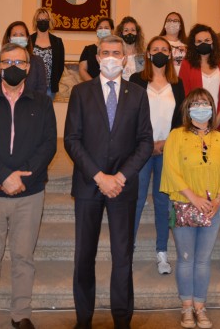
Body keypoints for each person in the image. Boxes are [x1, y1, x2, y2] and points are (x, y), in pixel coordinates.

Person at [64, 35, 153, 329]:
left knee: (122, 255)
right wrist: (100, 176)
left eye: (117, 52)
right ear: (98, 58)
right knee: (84, 255)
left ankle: (122, 319)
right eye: (106, 52)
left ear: (125, 59)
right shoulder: (80, 92)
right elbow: (72, 140)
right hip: (90, 184)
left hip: (124, 186)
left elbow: (144, 142)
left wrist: (120, 176)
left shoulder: (138, 94)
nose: (112, 57)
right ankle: (83, 319)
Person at [0, 42, 57, 329]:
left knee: (23, 256)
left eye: (20, 63)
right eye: (7, 62)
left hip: (29, 192)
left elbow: (48, 144)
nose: (13, 68)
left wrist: (21, 176)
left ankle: (21, 314)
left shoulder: (42, 102)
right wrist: (4, 176)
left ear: (29, 68)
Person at [160, 88, 220, 329]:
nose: (201, 107)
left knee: (203, 260)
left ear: (213, 109)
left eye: (205, 103)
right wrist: (193, 198)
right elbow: (171, 170)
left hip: (213, 208)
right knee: (185, 259)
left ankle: (200, 307)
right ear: (187, 108)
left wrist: (217, 200)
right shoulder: (176, 135)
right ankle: (186, 307)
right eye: (196, 103)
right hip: (184, 205)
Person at [129, 36, 185, 275]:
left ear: (170, 55)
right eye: (156, 49)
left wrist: (166, 142)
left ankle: (162, 252)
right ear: (148, 54)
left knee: (163, 202)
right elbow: (129, 116)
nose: (160, 52)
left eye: (165, 49)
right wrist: (147, 142)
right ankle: (126, 250)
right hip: (141, 148)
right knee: (137, 200)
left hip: (167, 149)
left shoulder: (178, 83)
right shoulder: (136, 80)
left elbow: (183, 119)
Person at [179, 24, 220, 133]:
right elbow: (184, 93)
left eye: (207, 40)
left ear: (213, 42)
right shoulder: (186, 64)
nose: (203, 43)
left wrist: (219, 118)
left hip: (219, 120)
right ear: (194, 44)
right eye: (199, 41)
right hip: (193, 120)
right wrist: (194, 120)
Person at [0, 21, 47, 93]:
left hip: (32, 102)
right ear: (9, 38)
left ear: (27, 38)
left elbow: (41, 89)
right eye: (14, 35)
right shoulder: (0, 60)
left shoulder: (37, 62)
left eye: (22, 35)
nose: (18, 38)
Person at [30, 7, 65, 99]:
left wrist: (54, 82)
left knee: (46, 112)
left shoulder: (57, 42)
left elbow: (60, 66)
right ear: (35, 21)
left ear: (50, 21)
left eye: (45, 19)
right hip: (30, 86)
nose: (42, 22)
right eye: (40, 20)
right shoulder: (28, 40)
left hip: (49, 87)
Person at [78, 17, 114, 81]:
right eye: (100, 28)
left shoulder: (116, 49)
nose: (103, 30)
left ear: (112, 30)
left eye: (106, 28)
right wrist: (94, 84)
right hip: (91, 86)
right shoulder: (88, 49)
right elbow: (82, 69)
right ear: (96, 30)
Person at [115, 16, 145, 81]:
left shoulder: (144, 56)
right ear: (121, 33)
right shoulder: (115, 55)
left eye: (133, 30)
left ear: (137, 33)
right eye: (126, 30)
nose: (130, 33)